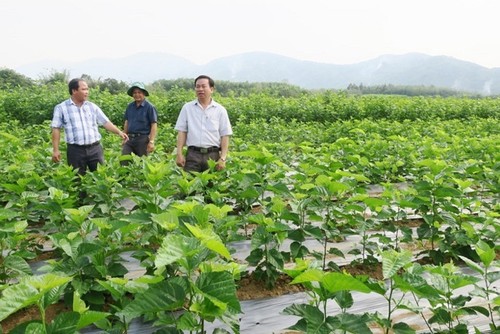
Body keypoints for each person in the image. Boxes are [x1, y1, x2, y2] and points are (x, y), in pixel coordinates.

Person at [51, 78, 128, 177]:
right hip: (75, 150)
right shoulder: (61, 108)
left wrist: (119, 132)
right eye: (83, 89)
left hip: (95, 149)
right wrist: (56, 150)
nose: (87, 92)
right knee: (77, 179)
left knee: (100, 177)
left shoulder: (92, 106)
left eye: (87, 89)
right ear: (74, 91)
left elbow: (105, 122)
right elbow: (56, 128)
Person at [174, 75, 232, 172]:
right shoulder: (187, 108)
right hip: (193, 154)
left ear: (211, 89)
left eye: (204, 86)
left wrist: (222, 158)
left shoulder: (220, 110)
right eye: (197, 86)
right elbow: (182, 132)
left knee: (212, 185)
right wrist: (179, 154)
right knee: (190, 184)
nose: (200, 89)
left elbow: (225, 135)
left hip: (213, 155)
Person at [121, 82, 158, 165]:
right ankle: (125, 178)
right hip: (129, 139)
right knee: (124, 161)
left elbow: (154, 124)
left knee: (142, 164)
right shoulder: (130, 107)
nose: (137, 95)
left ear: (143, 93)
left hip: (142, 139)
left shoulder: (149, 107)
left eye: (139, 92)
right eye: (134, 93)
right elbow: (127, 122)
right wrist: (124, 136)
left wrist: (151, 141)